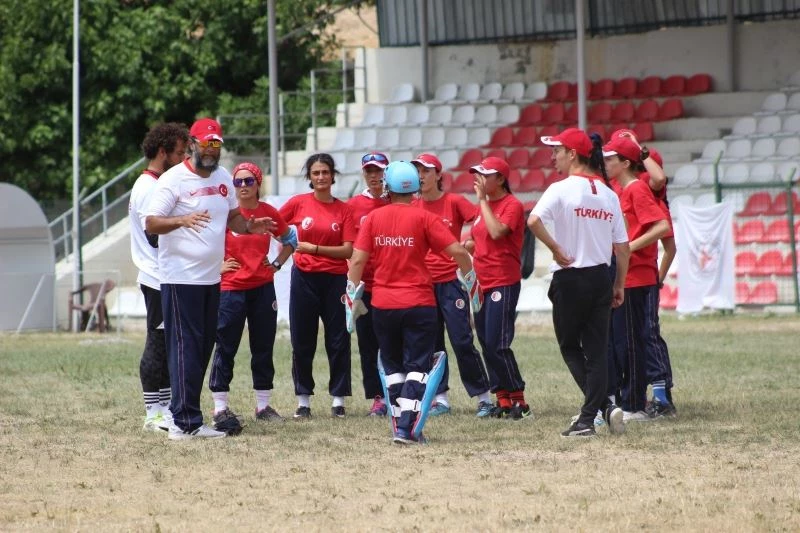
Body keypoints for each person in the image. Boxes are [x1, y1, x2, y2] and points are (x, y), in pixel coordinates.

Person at [145, 117, 277, 440]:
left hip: (210, 279)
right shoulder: (173, 180)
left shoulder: (222, 179)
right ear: (192, 143)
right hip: (181, 279)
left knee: (203, 347)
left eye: (216, 144)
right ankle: (182, 422)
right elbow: (151, 223)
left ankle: (190, 417)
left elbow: (232, 216)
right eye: (206, 143)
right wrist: (182, 219)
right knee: (185, 347)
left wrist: (249, 226)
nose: (212, 149)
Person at [346, 161, 476, 444]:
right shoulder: (425, 218)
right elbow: (457, 250)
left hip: (383, 303)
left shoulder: (373, 219)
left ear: (387, 188)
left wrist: (351, 295)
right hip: (419, 303)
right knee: (418, 366)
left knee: (393, 368)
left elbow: (357, 260)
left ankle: (399, 423)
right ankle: (406, 427)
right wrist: (470, 278)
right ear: (415, 189)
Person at [529, 127, 631, 438]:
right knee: (597, 351)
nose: (553, 156)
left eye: (557, 150)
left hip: (571, 277)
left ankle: (593, 414)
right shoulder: (609, 194)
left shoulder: (561, 189)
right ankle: (602, 409)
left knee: (570, 346)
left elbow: (532, 220)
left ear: (573, 154)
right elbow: (623, 247)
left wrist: (556, 249)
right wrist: (619, 284)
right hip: (601, 276)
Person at [207, 162, 297, 431]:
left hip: (262, 288)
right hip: (231, 289)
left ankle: (263, 405)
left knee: (263, 346)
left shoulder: (268, 213)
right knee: (226, 346)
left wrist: (278, 263)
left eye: (249, 181)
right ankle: (220, 406)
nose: (243, 186)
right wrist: (217, 266)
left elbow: (290, 238)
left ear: (258, 184)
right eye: (238, 182)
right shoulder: (226, 214)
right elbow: (204, 243)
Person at [411, 153, 493, 418]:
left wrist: (469, 244)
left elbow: (481, 224)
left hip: (450, 282)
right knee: (432, 344)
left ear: (438, 174)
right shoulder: (412, 206)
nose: (421, 176)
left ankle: (483, 397)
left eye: (426, 170)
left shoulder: (454, 201)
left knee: (461, 339)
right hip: (423, 284)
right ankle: (440, 399)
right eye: (417, 171)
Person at [279, 153, 356, 419]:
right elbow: (275, 224)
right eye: (316, 173)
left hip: (335, 280)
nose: (321, 177)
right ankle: (303, 401)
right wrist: (284, 248)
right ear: (309, 178)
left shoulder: (344, 209)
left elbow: (348, 250)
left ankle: (337, 400)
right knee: (302, 339)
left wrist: (316, 248)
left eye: (325, 172)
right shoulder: (298, 204)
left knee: (338, 339)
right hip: (304, 278)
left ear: (333, 175)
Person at [602, 133, 670, 422]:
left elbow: (661, 226)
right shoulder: (620, 190)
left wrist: (629, 246)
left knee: (631, 342)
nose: (605, 163)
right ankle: (627, 398)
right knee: (620, 342)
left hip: (637, 277)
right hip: (623, 275)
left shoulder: (636, 190)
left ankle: (634, 405)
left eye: (610, 158)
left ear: (625, 162)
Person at [128, 122, 189, 432]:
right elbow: (154, 235)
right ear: (162, 152)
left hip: (163, 276)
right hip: (156, 277)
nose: (184, 159)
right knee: (157, 342)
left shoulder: (152, 183)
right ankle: (153, 411)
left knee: (167, 343)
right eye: (179, 153)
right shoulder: (150, 188)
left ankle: (164, 407)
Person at [466, 156, 530, 420]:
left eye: (485, 175)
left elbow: (496, 232)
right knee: (485, 341)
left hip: (503, 281)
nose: (478, 179)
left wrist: (482, 201)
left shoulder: (512, 205)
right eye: (477, 174)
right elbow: (476, 240)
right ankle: (502, 399)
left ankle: (519, 400)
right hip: (482, 282)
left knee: (497, 343)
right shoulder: (485, 207)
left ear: (500, 179)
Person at [347, 152, 391, 416]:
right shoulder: (353, 205)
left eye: (379, 171)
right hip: (366, 285)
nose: (374, 176)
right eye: (369, 171)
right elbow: (351, 249)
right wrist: (352, 287)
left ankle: (398, 393)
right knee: (368, 344)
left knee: (394, 342)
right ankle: (377, 398)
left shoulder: (398, 201)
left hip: (393, 283)